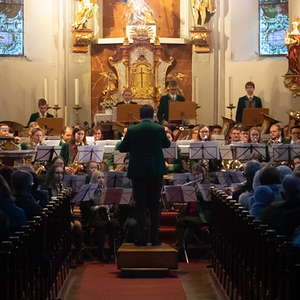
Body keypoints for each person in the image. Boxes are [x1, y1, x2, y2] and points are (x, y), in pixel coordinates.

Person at [118, 105, 171, 246]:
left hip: (138, 172)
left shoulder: (132, 130)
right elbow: (167, 144)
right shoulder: (159, 129)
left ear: (140, 115)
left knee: (140, 205)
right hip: (155, 170)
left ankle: (140, 239)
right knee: (154, 204)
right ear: (153, 115)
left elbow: (122, 148)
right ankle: (154, 238)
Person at [175, 162, 212, 261]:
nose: (196, 176)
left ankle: (183, 251)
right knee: (180, 222)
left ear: (203, 173)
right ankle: (181, 248)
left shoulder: (207, 185)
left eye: (198, 174)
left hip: (202, 214)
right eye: (194, 174)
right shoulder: (192, 185)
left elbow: (208, 201)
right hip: (191, 213)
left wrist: (197, 193)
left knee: (191, 224)